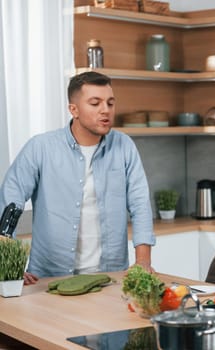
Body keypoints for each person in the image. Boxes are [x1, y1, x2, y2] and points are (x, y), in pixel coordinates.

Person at [0, 71, 155, 285]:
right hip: (48, 279)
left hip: (109, 278)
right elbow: (10, 201)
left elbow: (140, 205)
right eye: (95, 103)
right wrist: (8, 268)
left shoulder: (124, 146)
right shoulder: (40, 147)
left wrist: (143, 261)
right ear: (74, 109)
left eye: (110, 103)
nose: (105, 110)